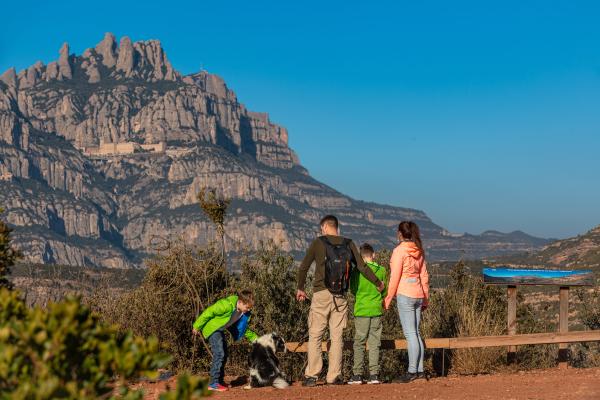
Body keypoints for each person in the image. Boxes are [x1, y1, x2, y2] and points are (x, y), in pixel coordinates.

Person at [297, 215, 385, 386]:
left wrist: (300, 288)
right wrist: (378, 282)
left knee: (316, 335)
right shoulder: (349, 243)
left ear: (324, 227)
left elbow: (304, 266)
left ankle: (312, 376)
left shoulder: (318, 242)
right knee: (336, 336)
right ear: (337, 227)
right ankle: (333, 376)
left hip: (321, 294)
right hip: (340, 297)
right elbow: (362, 267)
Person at [384, 221, 430, 383]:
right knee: (416, 333)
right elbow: (424, 276)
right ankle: (420, 371)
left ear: (400, 233)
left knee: (410, 334)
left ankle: (412, 371)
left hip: (405, 294)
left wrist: (387, 299)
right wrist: (425, 299)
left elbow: (394, 277)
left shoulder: (399, 251)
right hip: (418, 294)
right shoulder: (419, 250)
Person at [192, 290, 258, 392]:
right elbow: (209, 312)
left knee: (225, 353)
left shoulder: (243, 313)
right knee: (219, 353)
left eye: (250, 307)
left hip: (220, 329)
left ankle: (219, 380)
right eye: (247, 307)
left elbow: (244, 329)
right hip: (212, 328)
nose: (249, 309)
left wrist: (256, 339)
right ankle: (213, 383)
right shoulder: (226, 305)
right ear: (240, 302)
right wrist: (197, 326)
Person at [348, 243, 387, 385]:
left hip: (361, 310)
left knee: (359, 342)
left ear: (360, 257)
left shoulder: (356, 272)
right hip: (376, 310)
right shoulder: (381, 270)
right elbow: (384, 290)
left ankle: (357, 375)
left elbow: (353, 289)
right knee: (374, 343)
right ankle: (374, 375)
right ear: (373, 255)